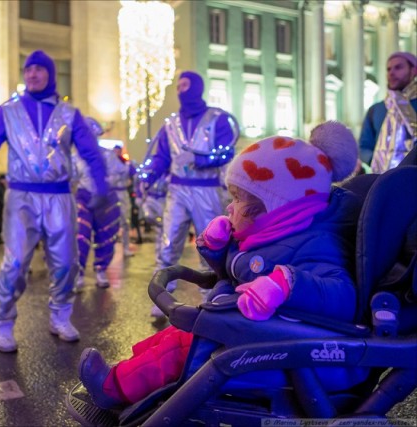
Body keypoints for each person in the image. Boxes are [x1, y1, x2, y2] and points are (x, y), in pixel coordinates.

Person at [78, 121, 360, 409]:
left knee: (181, 348)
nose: (229, 206)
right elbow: (240, 270)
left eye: (237, 199)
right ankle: (126, 375)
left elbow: (341, 294)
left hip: (291, 351)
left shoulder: (318, 243)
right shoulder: (278, 232)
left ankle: (113, 388)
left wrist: (286, 284)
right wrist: (217, 248)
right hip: (254, 332)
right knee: (176, 334)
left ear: (274, 208)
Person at [0, 50, 108, 353]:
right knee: (15, 263)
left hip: (59, 196)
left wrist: (101, 186)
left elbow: (91, 152)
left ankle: (61, 315)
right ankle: (2, 321)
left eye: (39, 69)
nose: (32, 74)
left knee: (67, 263)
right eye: (28, 69)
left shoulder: (69, 114)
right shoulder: (8, 111)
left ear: (50, 74)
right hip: (21, 198)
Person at [140, 70, 240, 316]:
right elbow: (161, 157)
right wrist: (147, 176)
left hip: (206, 191)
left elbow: (226, 152)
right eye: (178, 86)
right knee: (168, 241)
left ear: (196, 87)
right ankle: (163, 296)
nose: (181, 90)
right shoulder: (170, 124)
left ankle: (213, 298)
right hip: (177, 190)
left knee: (211, 245)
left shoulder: (217, 119)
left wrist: (198, 159)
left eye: (185, 85)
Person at [73, 117, 121, 290]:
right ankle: (78, 273)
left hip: (105, 199)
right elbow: (70, 177)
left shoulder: (107, 155)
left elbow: (119, 174)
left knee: (106, 236)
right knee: (80, 234)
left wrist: (108, 185)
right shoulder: (76, 157)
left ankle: (101, 270)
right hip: (84, 197)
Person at [359, 51, 417, 173]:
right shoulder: (376, 109)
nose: (391, 73)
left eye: (398, 67)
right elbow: (364, 146)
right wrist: (377, 162)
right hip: (381, 180)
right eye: (388, 69)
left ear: (413, 71)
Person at [111, 143, 136, 257]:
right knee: (110, 223)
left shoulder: (126, 164)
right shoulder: (108, 164)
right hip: (112, 194)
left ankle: (126, 247)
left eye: (118, 151)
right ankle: (109, 250)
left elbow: (134, 174)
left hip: (123, 193)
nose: (117, 153)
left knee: (126, 222)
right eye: (115, 151)